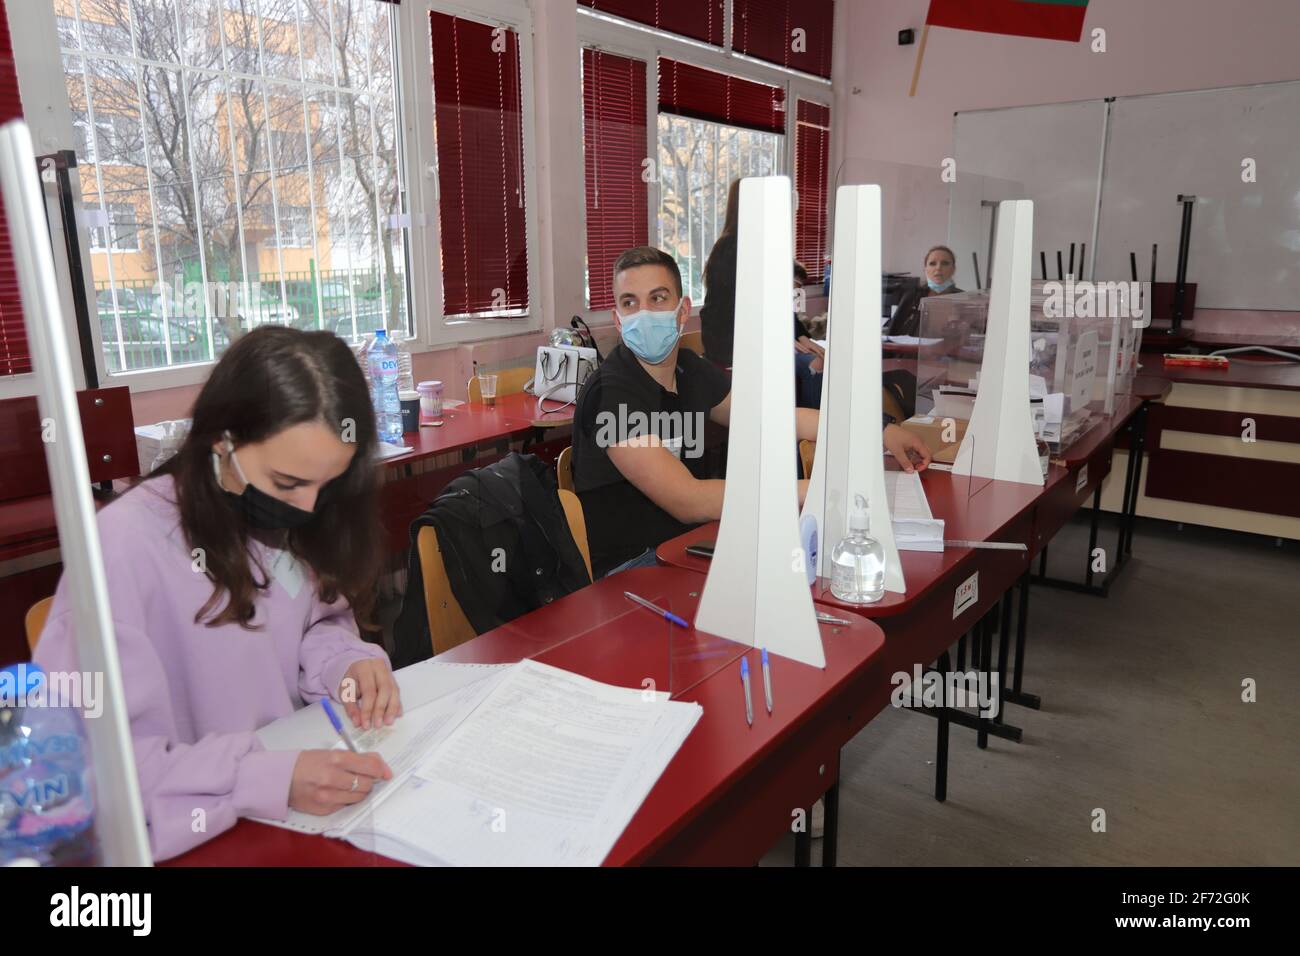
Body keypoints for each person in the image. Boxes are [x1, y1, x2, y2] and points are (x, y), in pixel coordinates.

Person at [34, 326, 402, 860]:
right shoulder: (120, 551)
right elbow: (84, 773)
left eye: (328, 486)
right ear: (222, 442)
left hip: (294, 817)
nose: (306, 509)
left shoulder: (292, 515)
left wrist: (344, 664)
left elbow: (315, 622)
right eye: (287, 483)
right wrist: (260, 777)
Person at [572, 246, 931, 578]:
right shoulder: (611, 394)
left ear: (683, 310)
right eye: (630, 303)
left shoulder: (688, 367)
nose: (644, 314)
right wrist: (818, 488)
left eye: (658, 298)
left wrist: (877, 430)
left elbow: (774, 420)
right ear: (618, 320)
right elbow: (688, 500)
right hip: (634, 568)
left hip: (690, 544)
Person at [700, 179, 816, 368]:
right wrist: (781, 339)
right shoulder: (731, 248)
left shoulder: (758, 246)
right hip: (731, 345)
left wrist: (800, 335)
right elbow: (740, 309)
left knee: (819, 358)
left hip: (752, 338)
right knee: (814, 364)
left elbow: (775, 303)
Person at [886, 244, 963, 338]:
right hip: (914, 351)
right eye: (932, 263)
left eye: (945, 263)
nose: (938, 268)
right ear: (925, 269)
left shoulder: (963, 299)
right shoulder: (913, 296)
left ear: (953, 269)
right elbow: (893, 333)